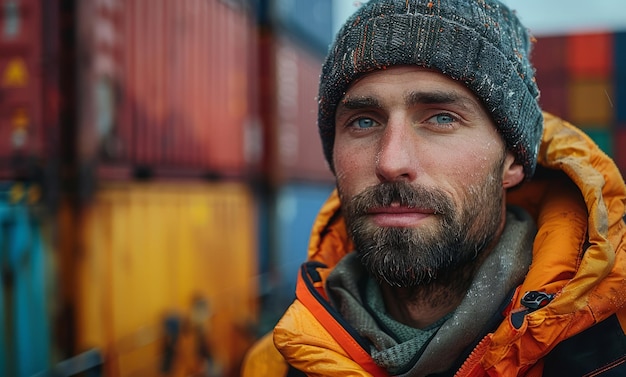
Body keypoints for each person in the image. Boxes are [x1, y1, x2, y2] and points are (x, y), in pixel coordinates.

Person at [242, 0, 626, 375]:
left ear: (512, 160)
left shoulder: (612, 350)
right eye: (363, 122)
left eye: (441, 117)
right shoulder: (275, 364)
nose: (391, 162)